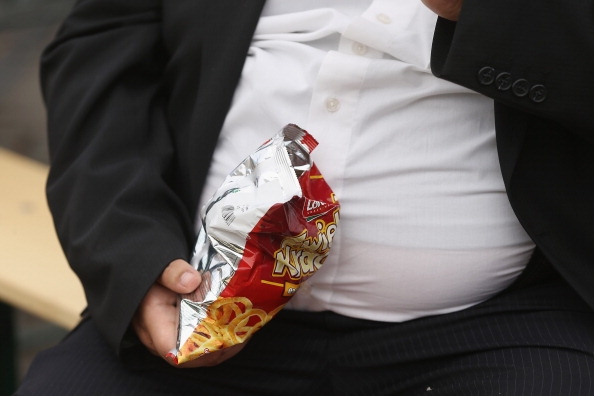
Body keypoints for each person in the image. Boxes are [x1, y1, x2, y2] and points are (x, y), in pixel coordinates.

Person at [16, 0, 594, 394]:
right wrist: (132, 260)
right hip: (200, 300)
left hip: (504, 327)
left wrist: (507, 14)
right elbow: (102, 44)